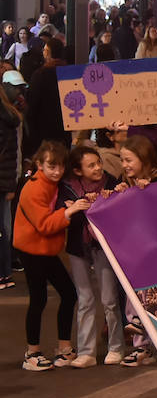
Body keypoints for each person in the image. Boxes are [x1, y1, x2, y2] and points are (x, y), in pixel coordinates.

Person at [16, 140, 86, 371]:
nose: (57, 171)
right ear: (40, 164)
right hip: (32, 250)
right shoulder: (34, 188)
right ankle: (32, 353)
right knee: (40, 299)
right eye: (51, 166)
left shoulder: (52, 184)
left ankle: (63, 348)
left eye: (60, 166)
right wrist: (69, 211)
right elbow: (44, 225)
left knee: (67, 294)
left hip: (44, 250)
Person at [55, 144, 121, 369]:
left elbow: (120, 207)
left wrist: (110, 198)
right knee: (84, 299)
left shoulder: (111, 181)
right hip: (77, 246)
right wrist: (74, 206)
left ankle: (116, 348)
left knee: (109, 299)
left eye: (98, 163)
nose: (98, 168)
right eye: (91, 165)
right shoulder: (67, 187)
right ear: (77, 170)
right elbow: (60, 209)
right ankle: (86, 352)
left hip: (103, 246)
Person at [0, 72, 22, 291]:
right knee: (5, 228)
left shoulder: (7, 116)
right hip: (6, 180)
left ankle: (3, 273)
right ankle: (5, 273)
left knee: (4, 229)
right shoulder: (11, 115)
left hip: (4, 181)